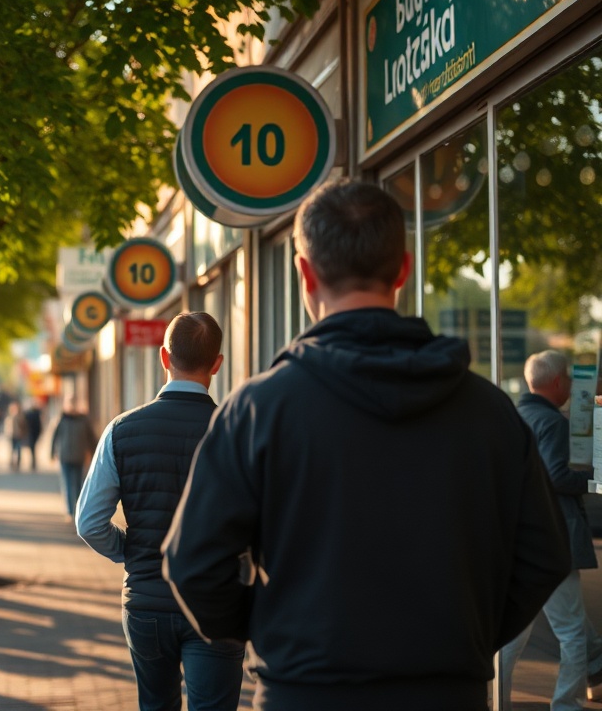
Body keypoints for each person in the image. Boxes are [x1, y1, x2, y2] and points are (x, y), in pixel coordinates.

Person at [162, 179, 570, 711]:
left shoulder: (259, 410)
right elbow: (544, 556)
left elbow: (191, 563)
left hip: (303, 692)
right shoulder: (489, 410)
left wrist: (276, 631)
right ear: (403, 269)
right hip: (449, 692)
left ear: (305, 274)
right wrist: (463, 639)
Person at [76, 312, 244, 710]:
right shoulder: (238, 430)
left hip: (147, 600)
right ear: (217, 364)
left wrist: (131, 550)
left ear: (164, 357)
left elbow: (89, 522)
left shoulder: (121, 429)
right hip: (217, 601)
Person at [499, 350, 602, 710]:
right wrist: (591, 476)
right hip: (555, 538)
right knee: (571, 630)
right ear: (559, 382)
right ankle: (566, 705)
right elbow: (557, 475)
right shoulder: (553, 423)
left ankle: (498, 699)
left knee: (513, 630)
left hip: (517, 538)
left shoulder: (512, 416)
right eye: (570, 380)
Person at [50, 396, 96, 519]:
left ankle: (79, 510)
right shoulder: (62, 418)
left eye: (73, 403)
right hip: (64, 456)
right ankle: (70, 511)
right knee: (67, 484)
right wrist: (51, 453)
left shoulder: (84, 420)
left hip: (79, 456)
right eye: (69, 403)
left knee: (78, 484)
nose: (71, 405)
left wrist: (94, 454)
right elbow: (54, 437)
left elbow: (92, 438)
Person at [4, 401, 28, 471]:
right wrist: (7, 433)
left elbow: (24, 426)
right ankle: (12, 461)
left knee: (18, 449)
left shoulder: (20, 416)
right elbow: (7, 426)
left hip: (19, 435)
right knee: (12, 449)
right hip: (11, 435)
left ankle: (18, 462)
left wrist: (23, 434)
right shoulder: (9, 417)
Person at [23, 399, 44, 471]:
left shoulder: (33, 413)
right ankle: (33, 461)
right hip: (33, 432)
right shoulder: (34, 413)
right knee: (32, 448)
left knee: (32, 447)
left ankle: (33, 461)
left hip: (33, 432)